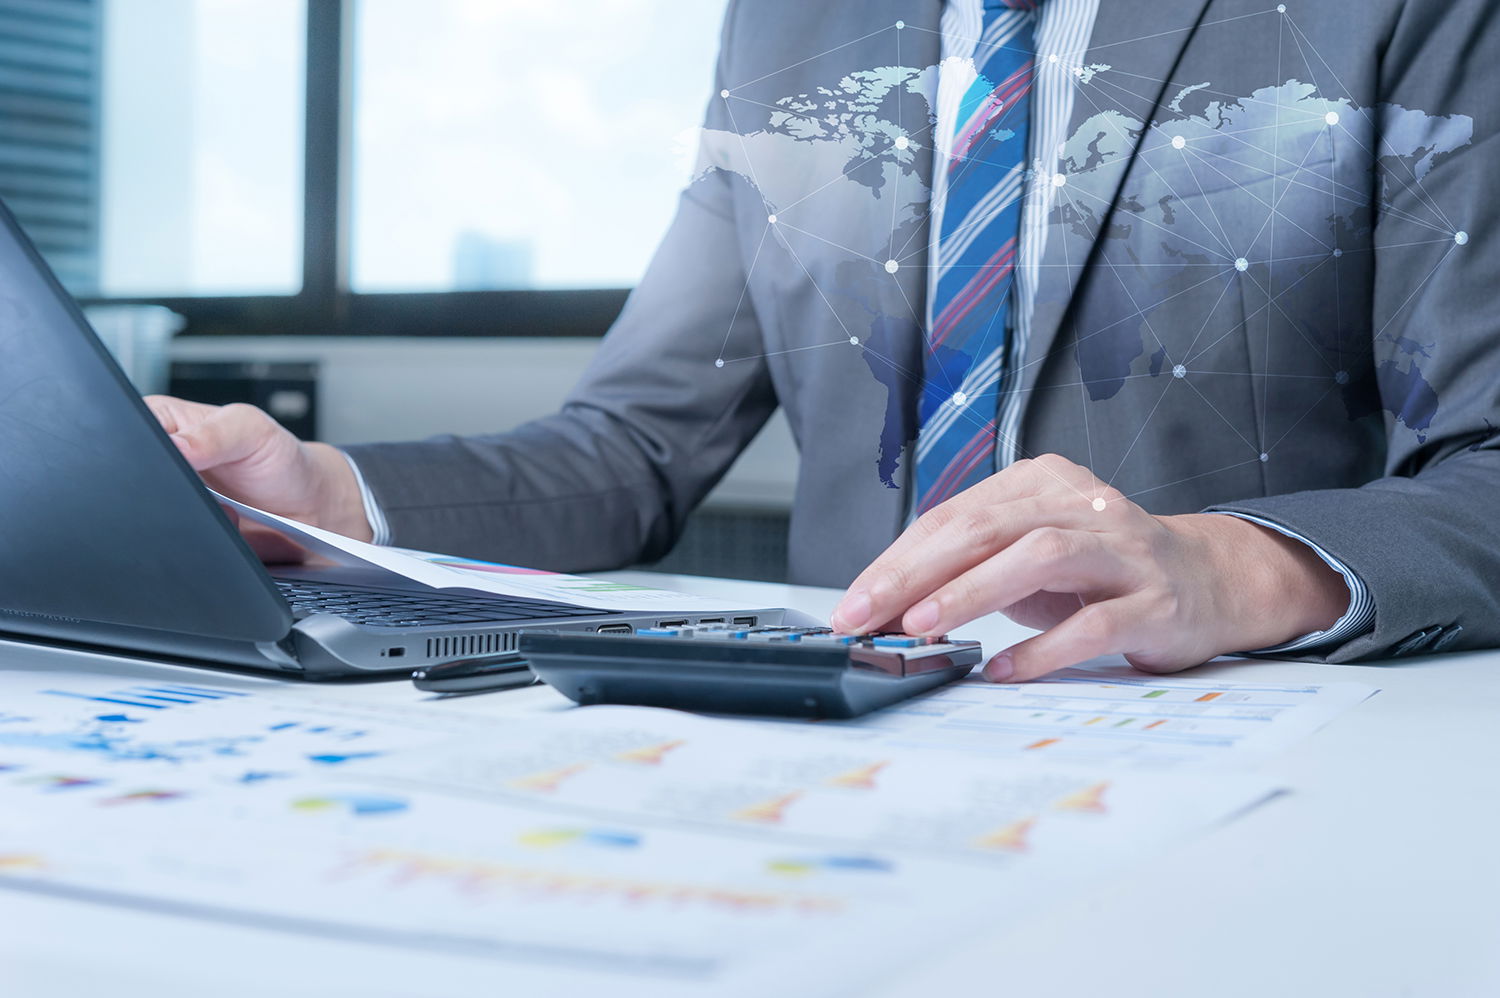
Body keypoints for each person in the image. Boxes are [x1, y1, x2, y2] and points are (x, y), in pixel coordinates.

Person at [147, 0, 1500, 682]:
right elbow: (634, 445)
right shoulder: (796, 23)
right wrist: (330, 499)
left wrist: (1239, 565)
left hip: (1217, 740)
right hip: (840, 752)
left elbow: (1486, 458)